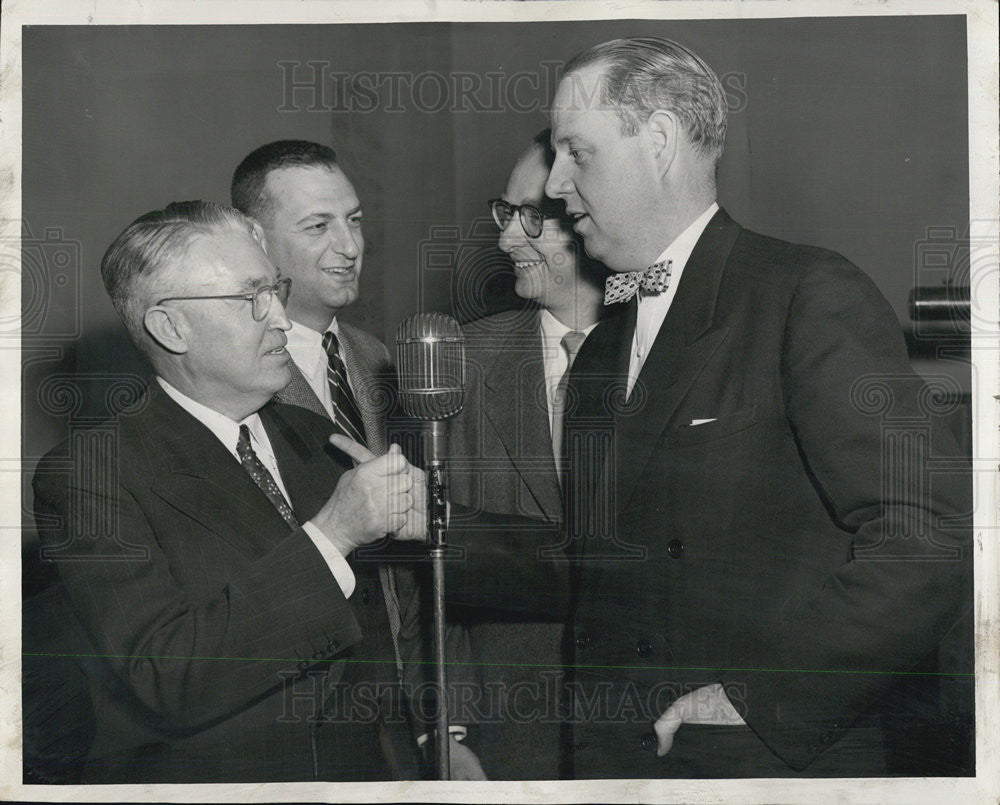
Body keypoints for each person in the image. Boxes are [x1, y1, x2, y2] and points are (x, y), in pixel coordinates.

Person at [444, 36, 972, 778]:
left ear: (656, 141)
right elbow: (598, 560)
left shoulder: (803, 295)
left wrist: (764, 698)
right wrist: (420, 521)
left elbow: (932, 534)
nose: (557, 184)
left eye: (576, 151)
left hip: (762, 762)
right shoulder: (601, 350)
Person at [30, 201, 428, 783]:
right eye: (251, 299)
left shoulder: (317, 437)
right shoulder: (90, 473)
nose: (282, 321)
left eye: (276, 291)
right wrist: (334, 535)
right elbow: (167, 675)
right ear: (170, 327)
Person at [231, 140, 483, 778]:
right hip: (296, 735)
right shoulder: (228, 379)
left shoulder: (381, 360)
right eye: (318, 226)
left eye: (355, 220)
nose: (349, 246)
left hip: (404, 730)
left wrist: (442, 727)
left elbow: (419, 574)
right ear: (254, 240)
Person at [445, 130, 612, 779]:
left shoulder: (676, 352)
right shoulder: (458, 362)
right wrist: (448, 727)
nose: (506, 239)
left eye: (532, 218)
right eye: (504, 213)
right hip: (506, 742)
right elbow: (427, 568)